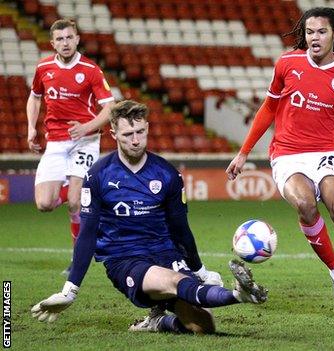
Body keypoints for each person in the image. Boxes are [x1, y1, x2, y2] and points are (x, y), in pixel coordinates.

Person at [31, 100, 268, 334]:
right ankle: (239, 294)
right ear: (113, 133)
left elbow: (180, 230)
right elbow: (87, 234)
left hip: (165, 252)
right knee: (174, 283)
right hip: (124, 258)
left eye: (140, 132)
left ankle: (157, 322)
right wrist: (70, 290)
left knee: (203, 324)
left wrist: (200, 270)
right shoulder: (97, 176)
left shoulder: (167, 174)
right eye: (127, 134)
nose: (135, 140)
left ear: (148, 128)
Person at [226, 7, 334, 314]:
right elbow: (268, 108)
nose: (314, 38)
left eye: (321, 31)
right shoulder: (287, 63)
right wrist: (243, 153)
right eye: (309, 32)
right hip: (287, 153)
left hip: (328, 152)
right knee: (306, 205)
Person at [26, 19, 115, 274]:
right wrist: (31, 127)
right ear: (52, 43)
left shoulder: (91, 70)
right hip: (55, 141)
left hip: (85, 141)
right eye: (60, 39)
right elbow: (34, 98)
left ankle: (78, 257)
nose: (65, 43)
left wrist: (87, 128)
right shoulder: (43, 67)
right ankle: (71, 189)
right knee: (44, 204)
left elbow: (110, 108)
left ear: (77, 39)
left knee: (76, 203)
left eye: (69, 37)